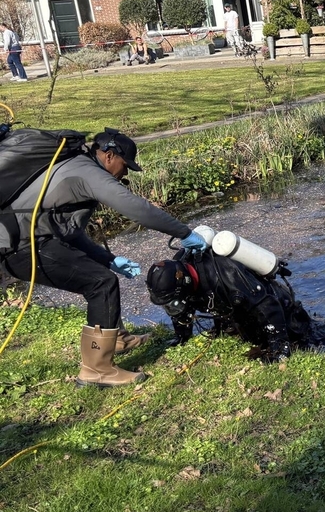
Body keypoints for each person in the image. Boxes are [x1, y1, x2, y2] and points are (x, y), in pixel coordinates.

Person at [0, 128, 210, 387]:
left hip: (27, 241)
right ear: (109, 156)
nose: (125, 174)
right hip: (20, 246)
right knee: (101, 283)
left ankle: (117, 340)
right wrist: (184, 233)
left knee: (102, 275)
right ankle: (96, 370)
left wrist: (108, 259)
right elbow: (137, 208)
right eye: (125, 166)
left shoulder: (77, 166)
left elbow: (69, 233)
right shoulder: (88, 173)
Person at [146, 249, 311, 363]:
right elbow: (181, 308)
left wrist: (279, 347)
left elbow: (269, 305)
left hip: (279, 306)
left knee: (301, 336)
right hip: (234, 309)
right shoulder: (181, 273)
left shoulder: (228, 274)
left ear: (186, 283)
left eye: (172, 301)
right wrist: (182, 337)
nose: (172, 306)